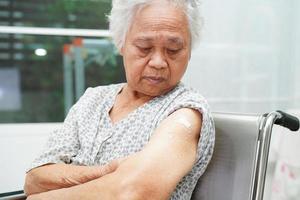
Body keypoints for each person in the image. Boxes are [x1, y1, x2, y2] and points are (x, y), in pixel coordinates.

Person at [24, 0, 215, 199]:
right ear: (121, 43)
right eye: (144, 47)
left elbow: (138, 191)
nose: (158, 62)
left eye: (173, 50)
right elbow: (35, 180)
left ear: (190, 50)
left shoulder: (186, 111)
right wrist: (107, 173)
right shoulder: (93, 99)